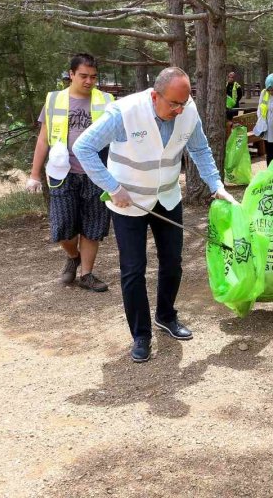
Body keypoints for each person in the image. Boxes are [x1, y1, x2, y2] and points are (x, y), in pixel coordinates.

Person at [72, 67, 238, 362]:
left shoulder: (187, 111)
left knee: (173, 262)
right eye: (173, 103)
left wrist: (216, 185)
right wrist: (112, 186)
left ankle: (166, 316)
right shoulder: (123, 112)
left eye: (183, 102)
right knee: (134, 269)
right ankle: (141, 334)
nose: (179, 109)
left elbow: (200, 150)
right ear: (154, 95)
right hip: (128, 202)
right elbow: (83, 147)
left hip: (167, 197)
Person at [26, 53, 115, 292]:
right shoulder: (54, 101)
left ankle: (86, 274)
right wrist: (35, 174)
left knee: (93, 227)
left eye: (93, 77)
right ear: (71, 74)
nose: (89, 81)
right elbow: (43, 138)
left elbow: (117, 139)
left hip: (96, 173)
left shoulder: (106, 100)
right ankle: (73, 256)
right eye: (83, 76)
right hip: (62, 172)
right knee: (63, 227)